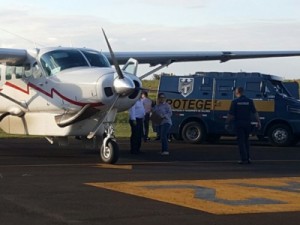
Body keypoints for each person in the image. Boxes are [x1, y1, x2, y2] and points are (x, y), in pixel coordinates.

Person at [226, 87, 261, 164]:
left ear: (237, 92)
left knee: (241, 142)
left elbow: (231, 115)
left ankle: (243, 159)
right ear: (243, 92)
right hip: (247, 124)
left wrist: (227, 123)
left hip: (239, 124)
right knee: (246, 141)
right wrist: (258, 122)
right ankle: (248, 158)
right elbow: (255, 112)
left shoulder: (235, 102)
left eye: (235, 92)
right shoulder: (249, 101)